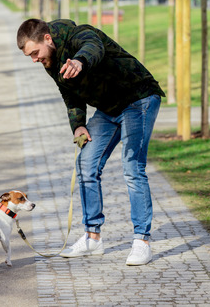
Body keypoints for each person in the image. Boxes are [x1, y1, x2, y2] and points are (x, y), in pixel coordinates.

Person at [17, 18, 165, 265]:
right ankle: (92, 238)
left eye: (35, 53)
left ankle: (142, 241)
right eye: (29, 56)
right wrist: (78, 125)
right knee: (86, 165)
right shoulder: (50, 60)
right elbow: (69, 93)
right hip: (108, 109)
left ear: (47, 39)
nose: (34, 59)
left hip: (138, 98)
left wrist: (79, 61)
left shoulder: (79, 34)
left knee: (132, 167)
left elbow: (93, 46)